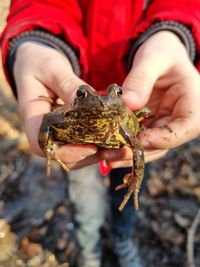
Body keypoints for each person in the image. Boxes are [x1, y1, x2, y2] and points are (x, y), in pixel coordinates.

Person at [1, 1, 200, 266]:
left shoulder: (121, 113)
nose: (105, 101)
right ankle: (89, 249)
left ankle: (122, 239)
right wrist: (35, 42)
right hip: (74, 92)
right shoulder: (72, 111)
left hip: (142, 93)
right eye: (86, 96)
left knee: (128, 193)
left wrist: (173, 35)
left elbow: (138, 148)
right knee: (83, 198)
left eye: (114, 95)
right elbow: (49, 119)